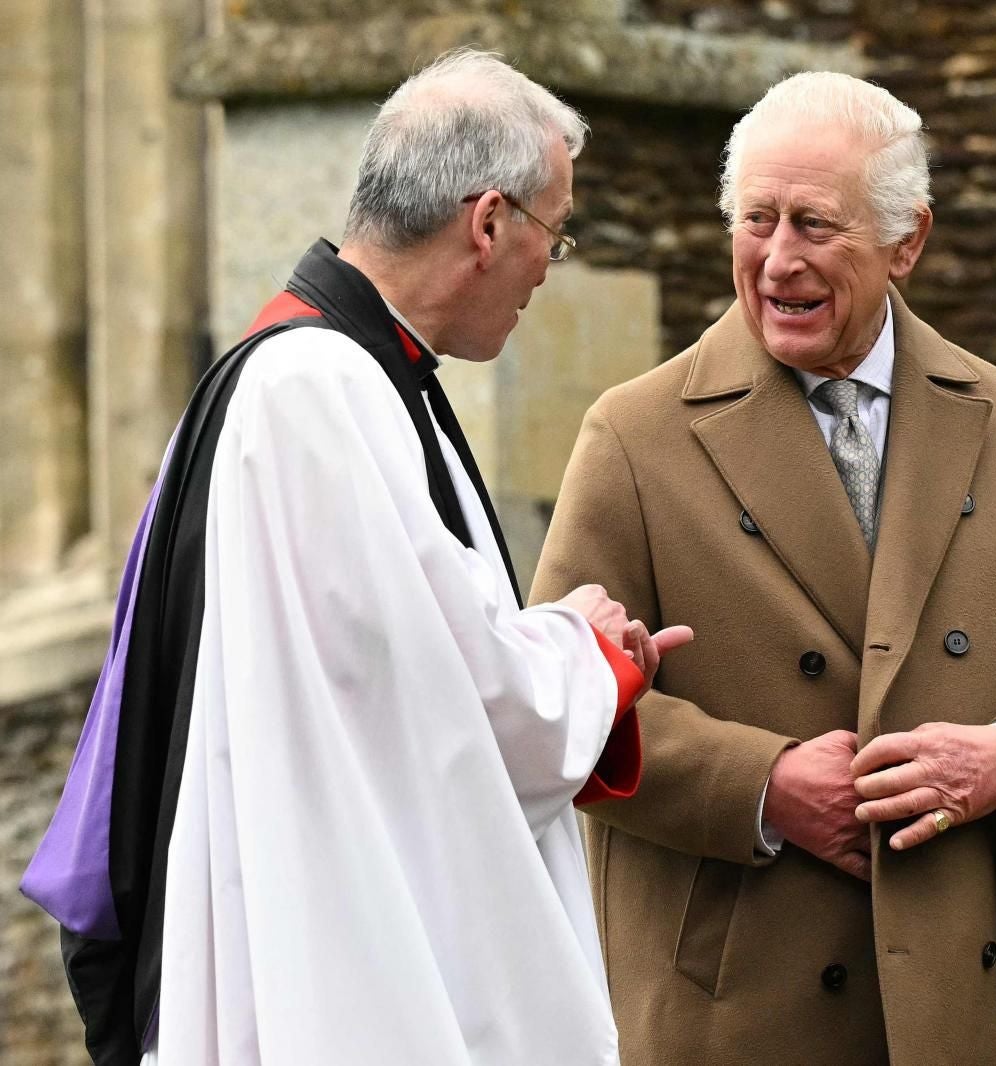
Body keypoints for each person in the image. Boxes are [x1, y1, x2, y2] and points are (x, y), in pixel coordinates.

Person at [21, 49, 688, 1066]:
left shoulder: (334, 373)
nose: (551, 266)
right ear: (489, 221)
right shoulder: (317, 392)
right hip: (326, 965)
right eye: (555, 232)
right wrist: (590, 653)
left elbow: (398, 667)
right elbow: (450, 707)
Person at [529, 71, 996, 1066]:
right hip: (734, 1018)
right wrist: (765, 782)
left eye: (814, 225)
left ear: (905, 242)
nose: (777, 259)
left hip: (965, 1014)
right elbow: (560, 702)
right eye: (756, 220)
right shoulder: (635, 434)